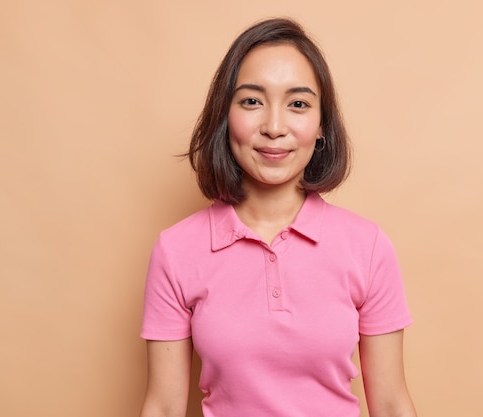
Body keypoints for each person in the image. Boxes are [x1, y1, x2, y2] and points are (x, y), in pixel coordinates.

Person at [139, 17, 417, 417]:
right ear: (225, 116)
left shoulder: (368, 247)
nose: (273, 127)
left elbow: (391, 404)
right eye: (252, 101)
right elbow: (163, 406)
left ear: (322, 126)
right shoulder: (177, 250)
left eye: (298, 104)